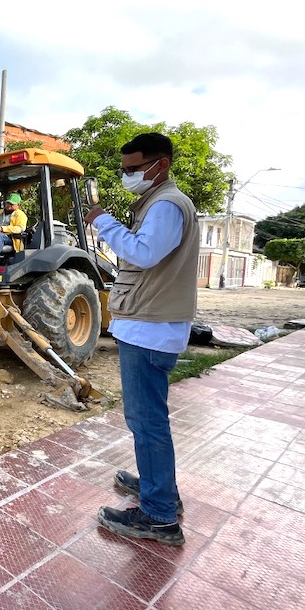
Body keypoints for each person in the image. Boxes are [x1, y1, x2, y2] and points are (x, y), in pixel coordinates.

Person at [84, 132, 199, 547]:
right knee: (148, 420)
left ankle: (159, 516)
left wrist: (103, 221)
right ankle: (158, 488)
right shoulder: (159, 202)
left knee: (147, 422)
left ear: (160, 165)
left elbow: (144, 253)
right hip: (148, 325)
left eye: (134, 169)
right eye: (125, 169)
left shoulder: (166, 204)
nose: (128, 175)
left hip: (150, 328)